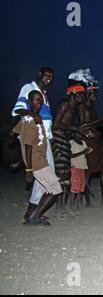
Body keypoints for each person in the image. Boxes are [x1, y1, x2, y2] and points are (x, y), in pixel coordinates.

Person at [11, 67, 56, 220]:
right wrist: (31, 113)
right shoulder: (29, 88)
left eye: (51, 76)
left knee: (44, 175)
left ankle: (32, 211)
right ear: (39, 74)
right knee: (46, 174)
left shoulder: (44, 94)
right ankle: (33, 212)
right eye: (46, 74)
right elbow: (17, 110)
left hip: (45, 139)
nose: (49, 77)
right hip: (35, 139)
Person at [53, 73, 92, 216]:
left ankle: (62, 207)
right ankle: (59, 208)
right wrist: (75, 129)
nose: (83, 97)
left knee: (65, 175)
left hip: (64, 138)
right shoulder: (65, 104)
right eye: (81, 94)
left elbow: (80, 125)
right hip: (57, 138)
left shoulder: (75, 108)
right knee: (62, 174)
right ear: (74, 93)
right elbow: (55, 125)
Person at [78, 69, 103, 206]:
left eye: (96, 93)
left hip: (96, 140)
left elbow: (94, 124)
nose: (96, 95)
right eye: (94, 93)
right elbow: (84, 125)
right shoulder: (83, 106)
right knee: (88, 171)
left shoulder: (92, 106)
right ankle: (88, 200)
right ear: (88, 93)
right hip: (88, 140)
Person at [69, 133, 92, 213]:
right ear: (73, 134)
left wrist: (87, 151)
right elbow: (69, 155)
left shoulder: (83, 142)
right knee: (74, 188)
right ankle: (72, 206)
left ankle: (79, 206)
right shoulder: (71, 142)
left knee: (81, 188)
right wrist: (82, 152)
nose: (80, 135)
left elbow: (86, 152)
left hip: (82, 167)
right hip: (74, 167)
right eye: (78, 133)